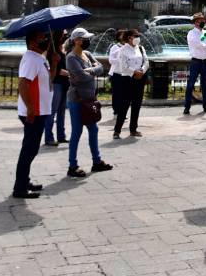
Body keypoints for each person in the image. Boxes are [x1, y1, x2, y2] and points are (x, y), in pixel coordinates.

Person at [64, 28, 113, 178]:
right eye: (85, 39)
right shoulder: (71, 57)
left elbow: (100, 68)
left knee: (94, 129)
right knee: (77, 132)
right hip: (77, 100)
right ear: (77, 40)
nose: (88, 41)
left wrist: (88, 71)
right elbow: (81, 76)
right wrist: (91, 72)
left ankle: (96, 161)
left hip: (89, 99)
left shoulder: (87, 54)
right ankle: (72, 165)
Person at [13, 30, 52, 199]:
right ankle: (20, 188)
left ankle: (24, 180)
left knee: (32, 149)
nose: (45, 40)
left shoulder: (40, 58)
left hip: (40, 110)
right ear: (32, 42)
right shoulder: (30, 58)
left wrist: (55, 62)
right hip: (33, 111)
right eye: (42, 37)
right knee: (29, 149)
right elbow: (23, 84)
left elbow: (49, 81)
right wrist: (30, 108)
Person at [112, 30, 148, 139]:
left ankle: (133, 129)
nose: (137, 38)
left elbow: (146, 61)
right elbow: (123, 67)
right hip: (127, 79)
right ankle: (117, 130)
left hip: (140, 79)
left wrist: (142, 70)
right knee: (124, 105)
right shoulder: (123, 50)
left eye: (138, 36)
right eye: (135, 36)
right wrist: (134, 72)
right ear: (129, 38)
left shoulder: (140, 48)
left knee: (137, 105)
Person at [184, 13, 206, 115]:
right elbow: (198, 45)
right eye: (200, 20)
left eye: (203, 20)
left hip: (205, 61)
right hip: (196, 62)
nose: (202, 22)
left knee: (205, 85)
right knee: (190, 85)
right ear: (195, 22)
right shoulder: (191, 33)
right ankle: (187, 107)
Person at [43, 30, 69, 147]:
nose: (66, 36)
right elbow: (54, 70)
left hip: (64, 84)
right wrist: (69, 73)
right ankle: (49, 137)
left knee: (62, 111)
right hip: (57, 83)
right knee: (52, 111)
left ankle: (61, 135)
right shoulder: (52, 52)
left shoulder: (62, 50)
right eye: (64, 35)